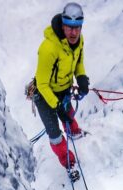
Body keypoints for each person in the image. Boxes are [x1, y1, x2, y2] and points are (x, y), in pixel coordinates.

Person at [33, 3, 90, 172]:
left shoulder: (79, 41)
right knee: (55, 135)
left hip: (63, 90)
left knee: (69, 116)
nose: (73, 33)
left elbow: (78, 62)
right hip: (44, 96)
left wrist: (81, 79)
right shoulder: (48, 48)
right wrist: (56, 105)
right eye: (69, 28)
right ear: (63, 25)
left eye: (77, 28)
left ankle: (74, 132)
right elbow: (42, 83)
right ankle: (68, 162)